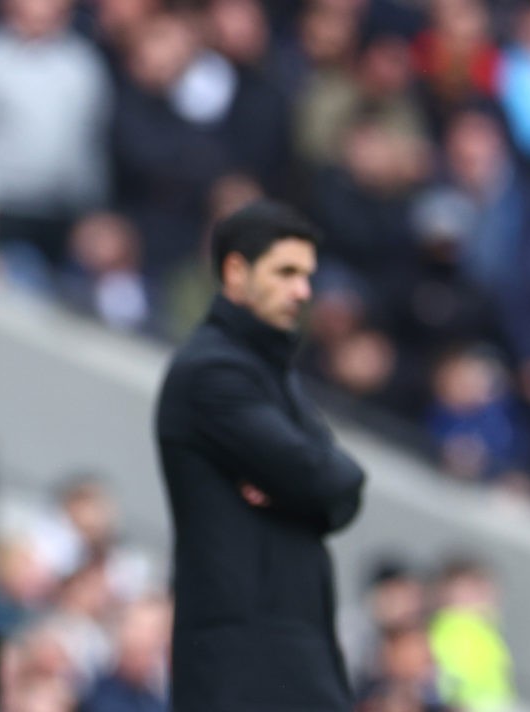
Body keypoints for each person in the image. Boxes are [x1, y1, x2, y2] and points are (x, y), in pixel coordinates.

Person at [155, 199, 366, 711]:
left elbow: (345, 485)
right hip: (246, 665)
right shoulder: (212, 374)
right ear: (235, 271)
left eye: (307, 276)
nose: (303, 292)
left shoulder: (269, 370)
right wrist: (310, 491)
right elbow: (322, 478)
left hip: (289, 653)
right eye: (286, 272)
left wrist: (298, 491)